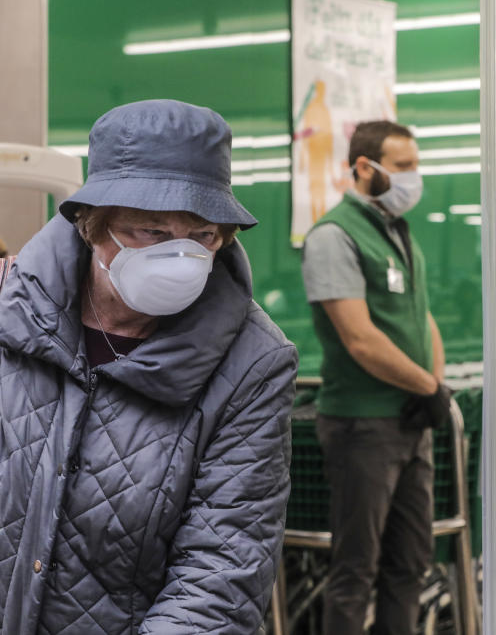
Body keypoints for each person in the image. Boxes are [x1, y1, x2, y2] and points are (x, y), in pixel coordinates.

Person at [0, 99, 299, 633]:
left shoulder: (253, 364)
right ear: (93, 226)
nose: (179, 257)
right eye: (151, 233)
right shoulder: (10, 315)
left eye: (202, 236)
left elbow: (219, 576)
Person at [301, 120, 450, 635]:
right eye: (403, 166)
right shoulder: (333, 236)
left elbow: (420, 315)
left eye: (415, 164)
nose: (414, 176)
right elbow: (359, 338)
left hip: (410, 420)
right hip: (362, 427)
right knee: (355, 570)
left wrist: (433, 383)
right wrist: (428, 389)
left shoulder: (398, 231)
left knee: (410, 563)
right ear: (365, 168)